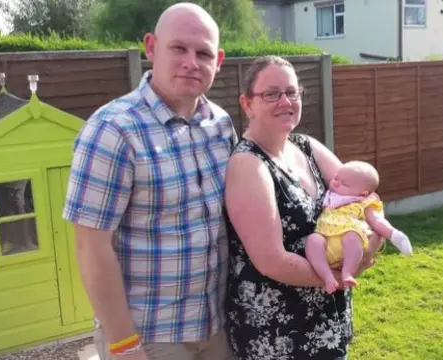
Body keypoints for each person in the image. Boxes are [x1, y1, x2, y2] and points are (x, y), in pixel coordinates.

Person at [62, 3, 236, 360]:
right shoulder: (112, 130)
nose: (191, 61)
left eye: (203, 52)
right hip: (150, 337)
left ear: (218, 61)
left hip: (216, 328)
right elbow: (91, 247)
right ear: (151, 47)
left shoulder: (220, 125)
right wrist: (124, 345)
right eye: (178, 48)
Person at [223, 55, 385, 359]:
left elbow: (366, 197)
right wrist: (339, 276)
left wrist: (368, 248)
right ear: (247, 104)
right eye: (271, 93)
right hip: (279, 334)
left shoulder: (306, 146)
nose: (285, 101)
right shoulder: (248, 164)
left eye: (292, 92)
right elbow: (272, 260)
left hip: (326, 322)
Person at [305, 160, 413, 294]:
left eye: (344, 184)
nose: (335, 183)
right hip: (326, 242)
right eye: (336, 178)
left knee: (352, 235)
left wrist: (395, 235)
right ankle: (327, 276)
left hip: (347, 245)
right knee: (313, 239)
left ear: (362, 194)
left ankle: (347, 272)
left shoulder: (363, 203)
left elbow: (378, 221)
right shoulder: (331, 196)